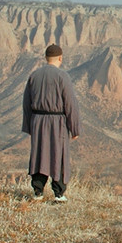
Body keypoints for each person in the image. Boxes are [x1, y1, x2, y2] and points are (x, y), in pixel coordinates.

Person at [21, 44, 81, 202]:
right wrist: (74, 128)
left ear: (46, 57)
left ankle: (37, 192)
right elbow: (70, 103)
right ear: (60, 58)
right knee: (59, 155)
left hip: (37, 121)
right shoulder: (63, 76)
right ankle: (59, 194)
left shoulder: (34, 75)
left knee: (39, 154)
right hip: (57, 121)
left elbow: (26, 103)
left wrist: (29, 125)